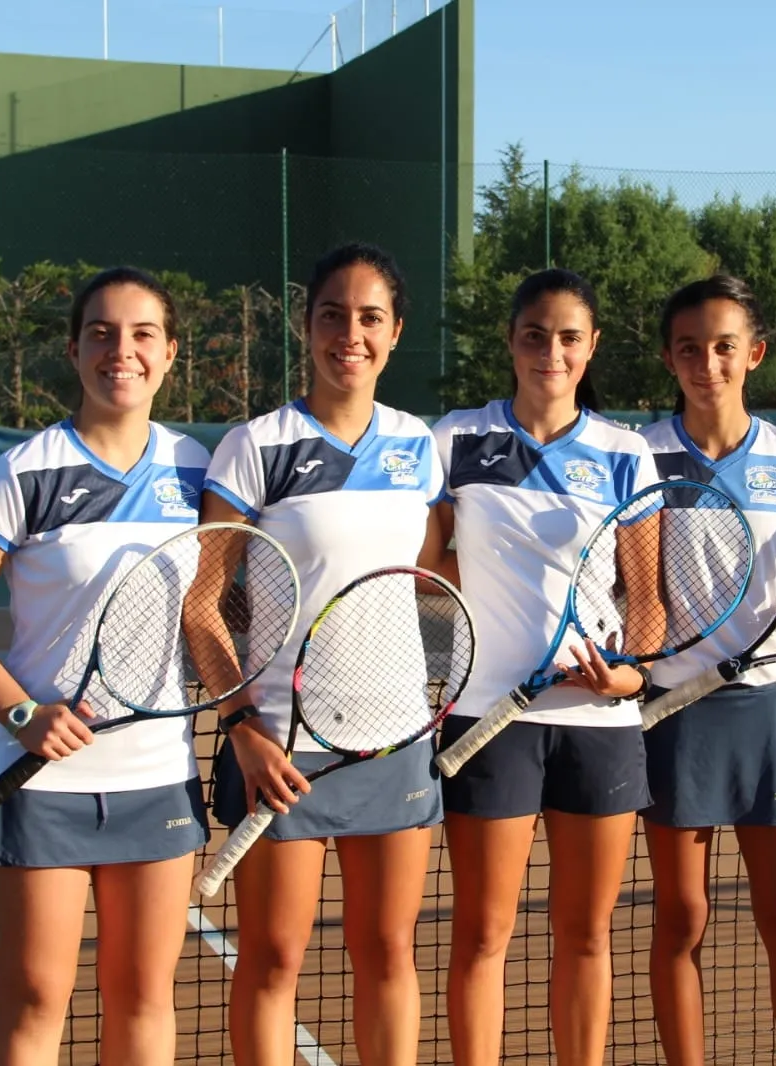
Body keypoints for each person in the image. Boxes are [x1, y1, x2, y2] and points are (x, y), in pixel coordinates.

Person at [0, 267, 210, 1066]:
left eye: (144, 334)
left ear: (170, 352)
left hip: (157, 777)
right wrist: (22, 713)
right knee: (36, 997)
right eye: (104, 334)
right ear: (75, 349)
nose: (124, 351)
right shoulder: (27, 470)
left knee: (144, 995)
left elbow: (208, 605)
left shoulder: (196, 470)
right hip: (39, 781)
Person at [200, 242, 447, 1066]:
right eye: (333, 315)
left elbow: (434, 573)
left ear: (395, 331)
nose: (351, 332)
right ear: (307, 328)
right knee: (271, 961)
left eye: (370, 317)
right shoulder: (255, 446)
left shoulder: (419, 447)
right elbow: (202, 602)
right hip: (280, 747)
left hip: (395, 740)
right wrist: (243, 727)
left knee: (386, 955)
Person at [432, 268, 657, 1066]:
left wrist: (628, 676)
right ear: (510, 341)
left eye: (568, 338)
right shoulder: (457, 438)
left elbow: (647, 597)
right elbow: (429, 569)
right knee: (483, 934)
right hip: (489, 719)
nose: (550, 352)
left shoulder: (626, 454)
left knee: (586, 934)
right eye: (534, 335)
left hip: (598, 726)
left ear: (590, 347)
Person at [639, 275, 776, 1066]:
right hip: (674, 710)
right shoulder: (639, 454)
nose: (706, 363)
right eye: (689, 348)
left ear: (751, 354)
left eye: (723, 346)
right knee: (681, 920)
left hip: (764, 709)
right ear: (668, 358)